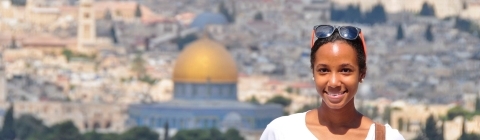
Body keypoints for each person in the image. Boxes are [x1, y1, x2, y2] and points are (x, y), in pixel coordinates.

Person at [260, 25, 405, 140]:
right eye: (323, 70)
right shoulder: (282, 133)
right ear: (313, 73)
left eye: (345, 70)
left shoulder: (386, 138)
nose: (334, 82)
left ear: (362, 73)